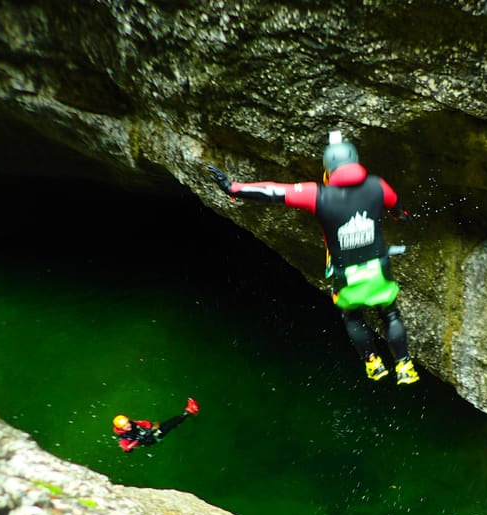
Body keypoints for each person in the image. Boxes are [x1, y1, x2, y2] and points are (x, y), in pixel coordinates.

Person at [207, 130, 419, 385]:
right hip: (379, 268)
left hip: (347, 275)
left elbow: (275, 192)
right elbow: (398, 210)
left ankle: (373, 362)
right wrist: (405, 217)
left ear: (329, 169)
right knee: (390, 315)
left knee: (352, 316)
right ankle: (404, 365)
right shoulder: (377, 186)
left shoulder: (318, 194)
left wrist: (234, 188)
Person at [113, 397, 200, 452]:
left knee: (164, 425)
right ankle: (189, 412)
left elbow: (145, 423)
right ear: (121, 428)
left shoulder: (132, 424)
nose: (128, 425)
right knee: (168, 425)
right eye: (125, 426)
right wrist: (138, 440)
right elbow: (126, 448)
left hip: (148, 433)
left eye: (127, 422)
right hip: (149, 439)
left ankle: (185, 415)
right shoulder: (123, 438)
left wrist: (150, 428)